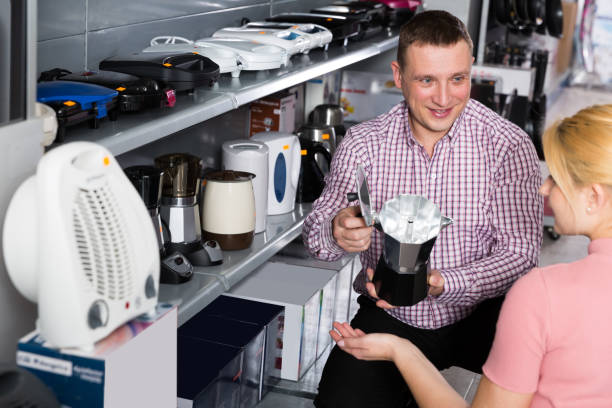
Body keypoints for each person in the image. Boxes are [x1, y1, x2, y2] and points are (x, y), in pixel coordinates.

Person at [302, 10, 543, 408]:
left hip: (486, 316)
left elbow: (520, 254)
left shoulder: (508, 146)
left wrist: (442, 283)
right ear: (399, 76)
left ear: (471, 70)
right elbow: (316, 242)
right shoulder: (363, 144)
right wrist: (336, 230)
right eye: (427, 80)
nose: (444, 99)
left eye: (458, 79)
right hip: (393, 314)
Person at [330, 104, 612, 408]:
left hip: (479, 313)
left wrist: (400, 351)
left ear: (594, 196)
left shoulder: (543, 294)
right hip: (394, 317)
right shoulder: (365, 140)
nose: (544, 189)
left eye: (555, 178)